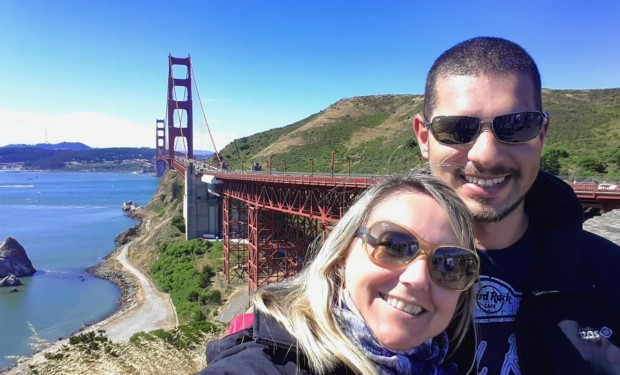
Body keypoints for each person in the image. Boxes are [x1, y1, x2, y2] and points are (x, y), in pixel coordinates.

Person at [412, 36, 620, 374]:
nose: (486, 155)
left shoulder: (612, 274)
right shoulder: (380, 273)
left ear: (542, 133)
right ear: (424, 137)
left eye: (516, 126)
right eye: (458, 129)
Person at [197, 173, 480, 375]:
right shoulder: (268, 363)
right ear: (342, 255)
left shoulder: (459, 362)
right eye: (393, 245)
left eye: (451, 264)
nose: (417, 278)